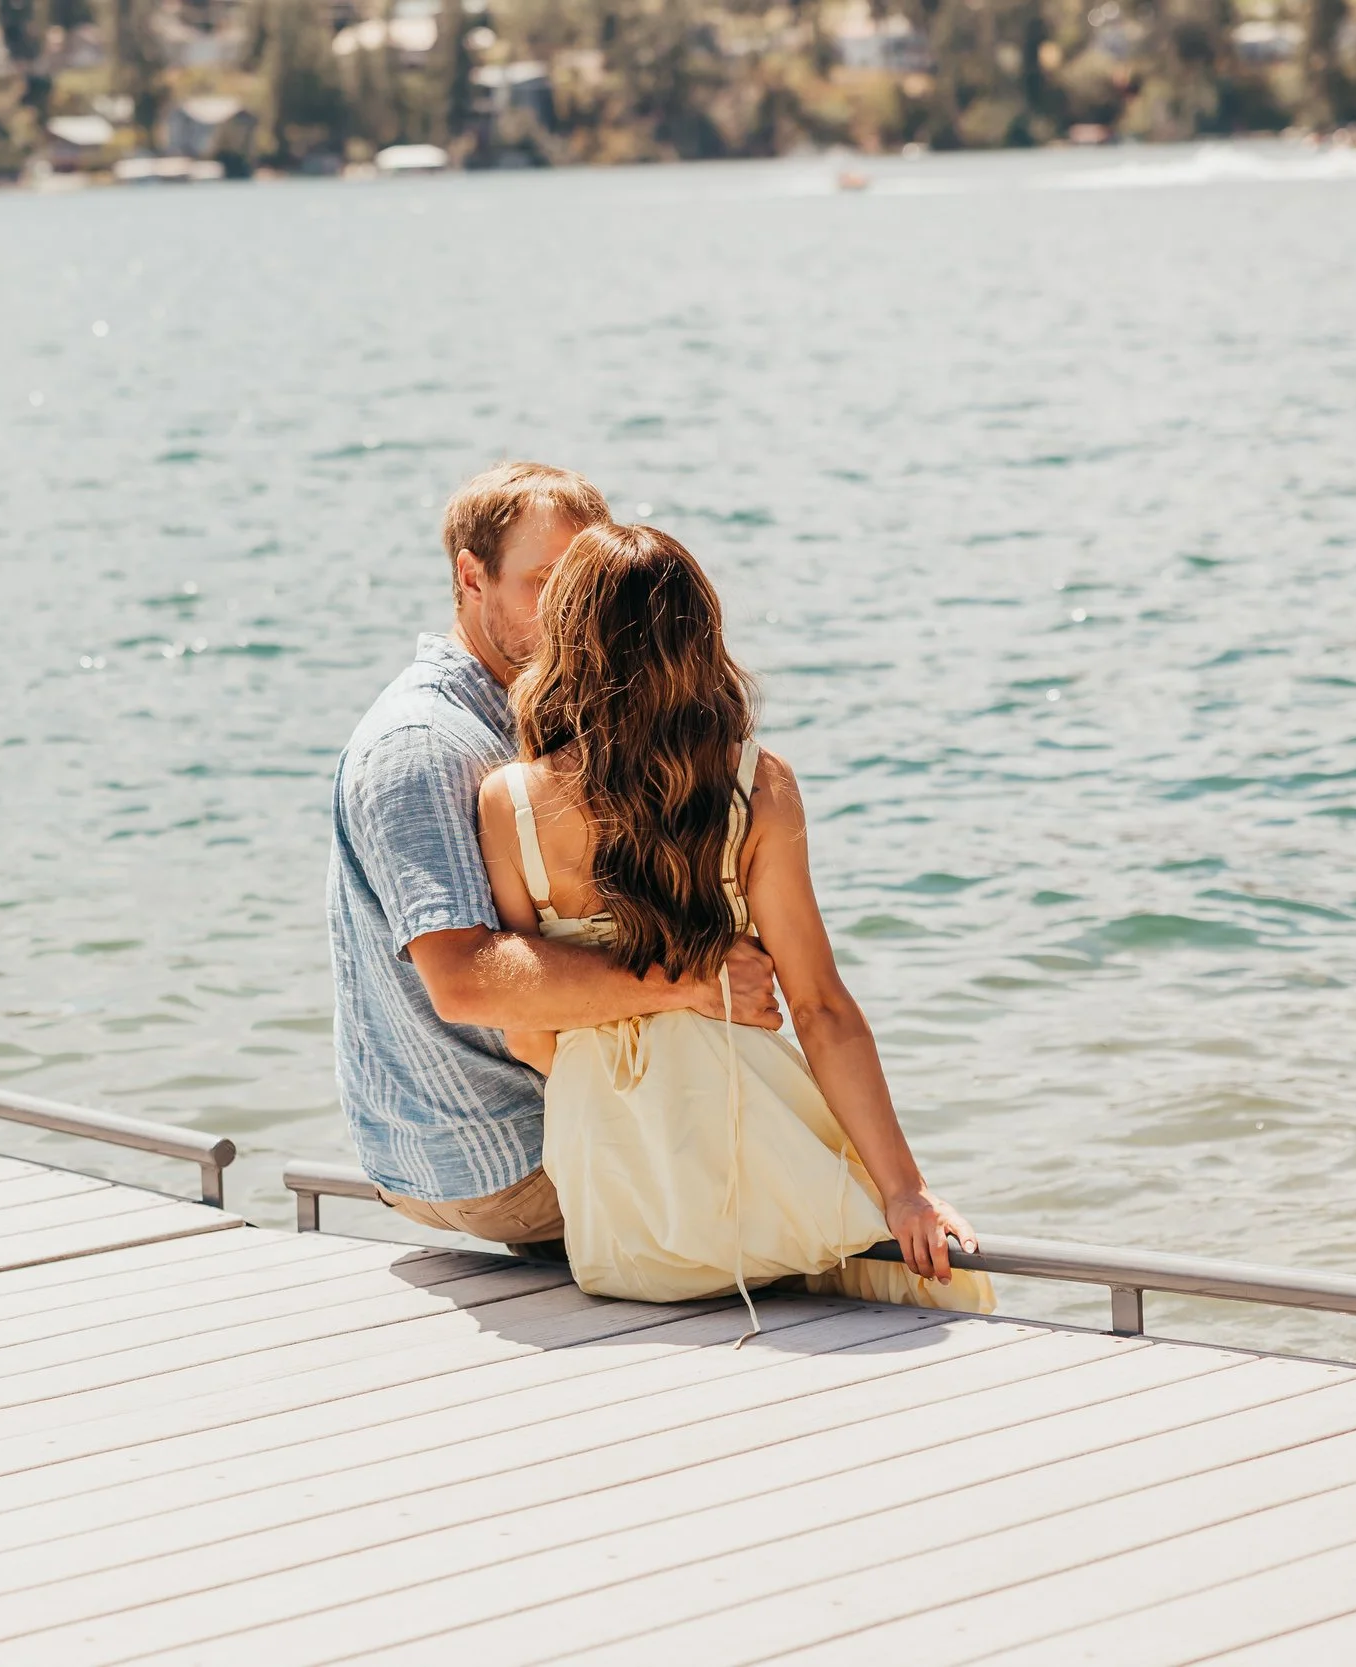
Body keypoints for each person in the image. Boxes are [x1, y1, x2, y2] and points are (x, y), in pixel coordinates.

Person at [477, 520, 995, 1322]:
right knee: (920, 1272)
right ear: (700, 640)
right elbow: (820, 1007)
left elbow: (527, 1033)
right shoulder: (759, 786)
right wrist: (906, 1190)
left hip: (622, 1225)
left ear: (571, 640)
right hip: (765, 1183)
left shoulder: (507, 802)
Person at [327, 463, 783, 1254]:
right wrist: (690, 985)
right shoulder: (424, 747)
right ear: (472, 578)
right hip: (493, 1157)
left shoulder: (538, 715)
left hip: (554, 1108)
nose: (577, 614)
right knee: (807, 1198)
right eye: (546, 583)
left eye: (586, 586)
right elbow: (464, 979)